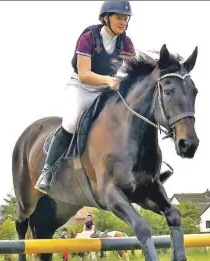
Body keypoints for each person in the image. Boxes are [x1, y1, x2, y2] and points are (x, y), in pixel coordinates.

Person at [35, 0, 135, 194]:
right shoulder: (89, 38)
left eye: (125, 18)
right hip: (81, 86)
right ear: (105, 18)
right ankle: (47, 171)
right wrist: (108, 80)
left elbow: (132, 70)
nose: (123, 22)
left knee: (128, 118)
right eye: (118, 17)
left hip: (107, 88)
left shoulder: (126, 42)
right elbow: (84, 74)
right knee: (72, 122)